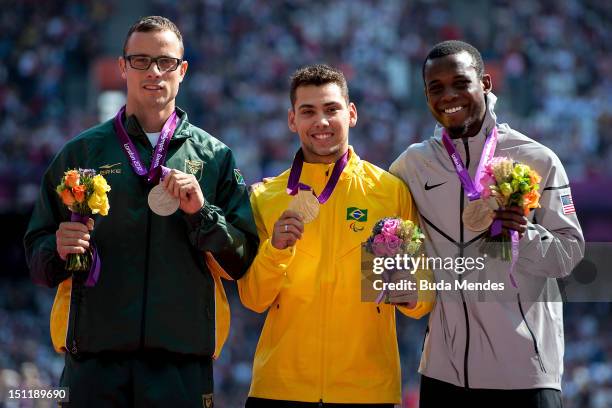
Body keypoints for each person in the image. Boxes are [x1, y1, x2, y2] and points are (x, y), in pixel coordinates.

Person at [24, 16, 258, 407]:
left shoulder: (215, 157)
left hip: (181, 366)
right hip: (93, 365)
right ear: (122, 67)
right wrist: (57, 249)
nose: (154, 72)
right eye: (140, 60)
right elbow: (37, 258)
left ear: (182, 71)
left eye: (165, 62)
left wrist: (202, 213)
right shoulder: (81, 153)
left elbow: (242, 260)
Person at [390, 40, 585, 407]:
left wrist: (523, 234)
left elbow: (570, 254)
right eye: (437, 88)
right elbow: (386, 238)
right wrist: (390, 278)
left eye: (460, 83)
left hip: (525, 377)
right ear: (426, 96)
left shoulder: (537, 158)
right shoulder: (411, 166)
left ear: (485, 83)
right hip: (442, 376)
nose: (449, 96)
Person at [238, 64, 433, 407]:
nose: (322, 122)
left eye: (332, 109)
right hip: (280, 390)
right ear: (291, 120)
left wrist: (408, 291)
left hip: (366, 391)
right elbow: (253, 298)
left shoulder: (389, 192)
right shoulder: (264, 197)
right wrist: (276, 250)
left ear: (352, 113)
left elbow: (421, 298)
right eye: (308, 111)